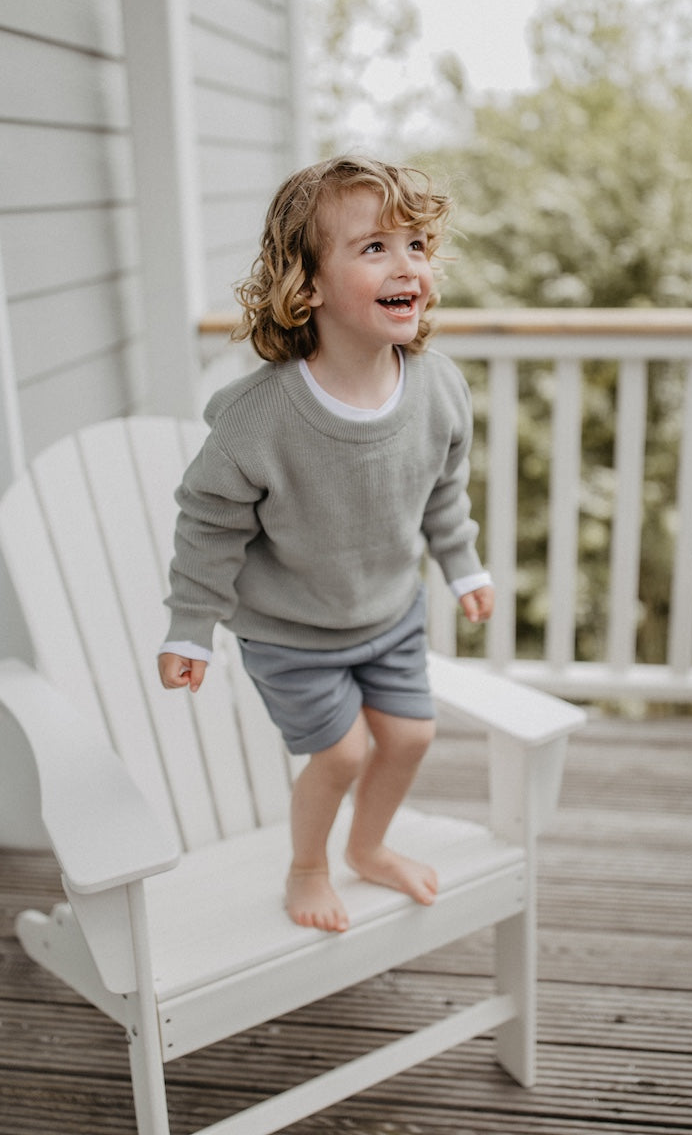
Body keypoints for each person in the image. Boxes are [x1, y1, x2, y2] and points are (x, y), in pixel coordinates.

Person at [158, 155, 494, 934]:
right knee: (340, 754)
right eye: (374, 247)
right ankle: (308, 866)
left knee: (411, 735)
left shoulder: (439, 388)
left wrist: (462, 563)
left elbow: (442, 488)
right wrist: (190, 625)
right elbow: (209, 522)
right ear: (307, 287)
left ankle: (369, 847)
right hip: (291, 631)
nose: (406, 263)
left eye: (415, 245)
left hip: (389, 614)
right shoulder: (261, 417)